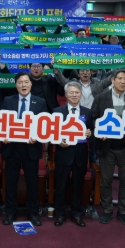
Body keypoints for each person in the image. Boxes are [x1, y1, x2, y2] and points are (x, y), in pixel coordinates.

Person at [91, 68, 125, 226]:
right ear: (112, 80)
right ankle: (107, 210)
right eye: (119, 78)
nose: (123, 81)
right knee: (106, 180)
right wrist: (99, 131)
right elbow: (93, 119)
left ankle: (123, 211)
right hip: (107, 146)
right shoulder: (101, 98)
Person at [1, 72, 49, 226]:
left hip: (31, 148)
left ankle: (33, 213)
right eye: (20, 82)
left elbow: (45, 125)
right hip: (12, 148)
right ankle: (10, 212)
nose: (23, 85)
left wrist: (38, 136)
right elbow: (2, 123)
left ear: (31, 84)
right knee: (11, 182)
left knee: (32, 182)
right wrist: (3, 135)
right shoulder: (8, 100)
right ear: (16, 85)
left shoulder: (40, 102)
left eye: (26, 82)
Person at [52, 81, 92, 227]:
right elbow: (52, 133)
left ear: (81, 94)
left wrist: (89, 133)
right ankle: (59, 214)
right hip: (63, 154)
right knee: (60, 185)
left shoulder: (87, 112)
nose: (74, 95)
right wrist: (59, 142)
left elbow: (92, 132)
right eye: (71, 92)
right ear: (66, 94)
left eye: (77, 92)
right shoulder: (57, 111)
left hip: (80, 155)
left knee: (78, 186)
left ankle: (77, 214)